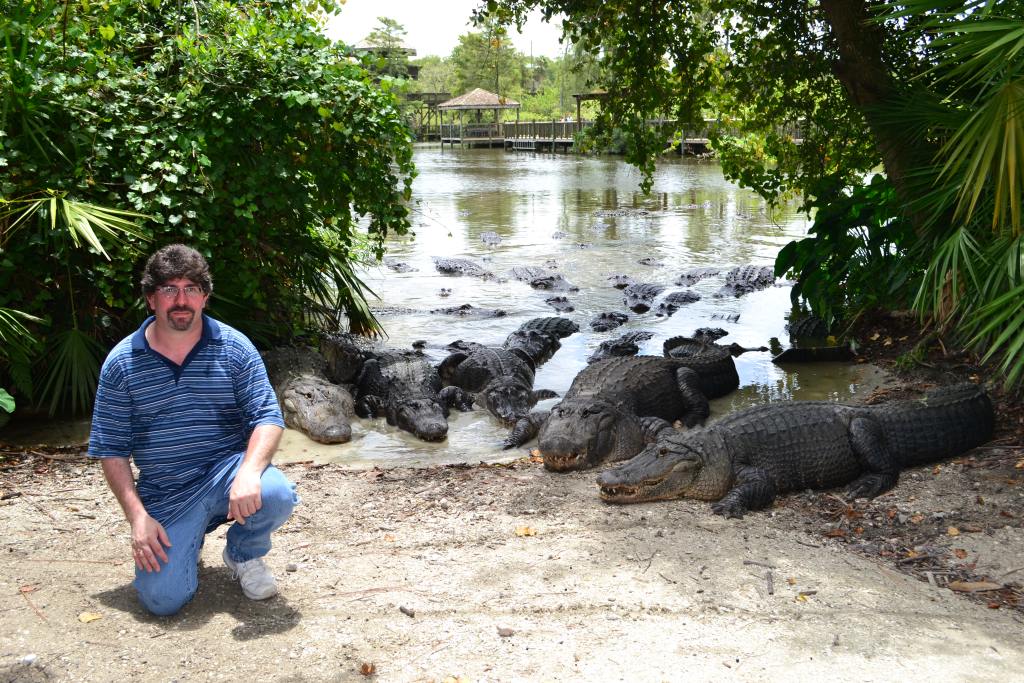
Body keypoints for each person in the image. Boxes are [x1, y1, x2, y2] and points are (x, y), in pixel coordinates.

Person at [88, 244, 296, 616]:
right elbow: (111, 449)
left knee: (275, 491)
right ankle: (189, 538)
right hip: (167, 492)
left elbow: (267, 416)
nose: (181, 300)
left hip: (226, 476)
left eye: (191, 289)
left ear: (205, 296)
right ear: (151, 299)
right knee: (163, 602)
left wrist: (249, 472)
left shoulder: (234, 348)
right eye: (169, 290)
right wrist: (138, 518)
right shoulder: (121, 363)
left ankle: (242, 554)